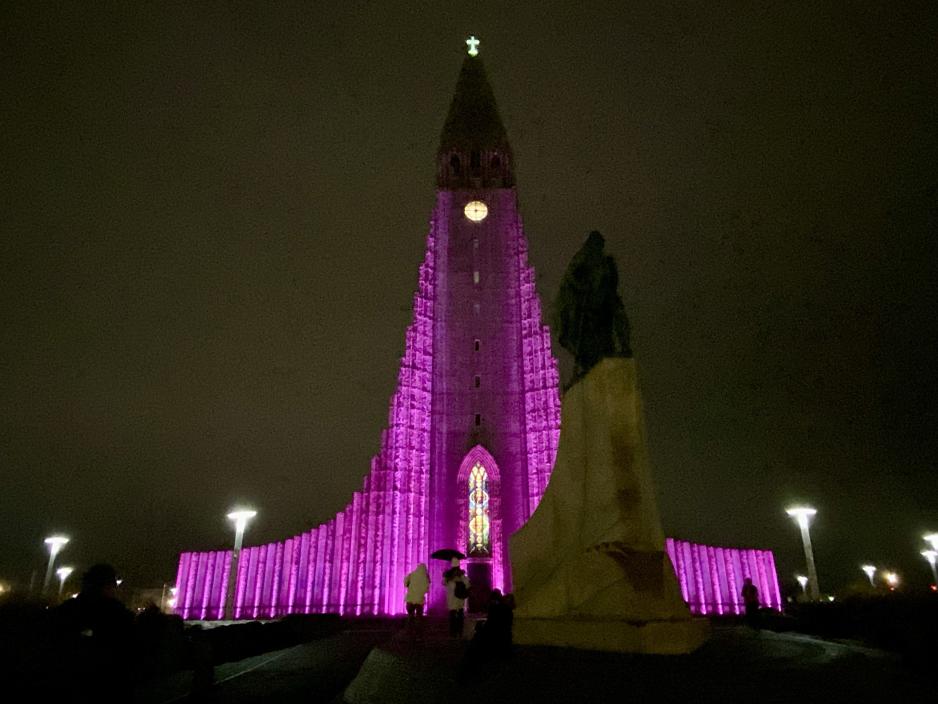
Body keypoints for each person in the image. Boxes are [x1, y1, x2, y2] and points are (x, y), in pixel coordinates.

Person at [52, 563, 135, 702]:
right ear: (110, 586)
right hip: (108, 686)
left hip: (66, 682)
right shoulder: (120, 615)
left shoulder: (66, 610)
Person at [443, 558, 470, 637]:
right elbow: (468, 584)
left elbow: (443, 583)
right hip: (460, 599)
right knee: (460, 616)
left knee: (452, 616)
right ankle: (460, 631)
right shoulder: (461, 575)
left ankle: (453, 632)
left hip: (451, 599)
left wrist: (444, 575)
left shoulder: (448, 576)